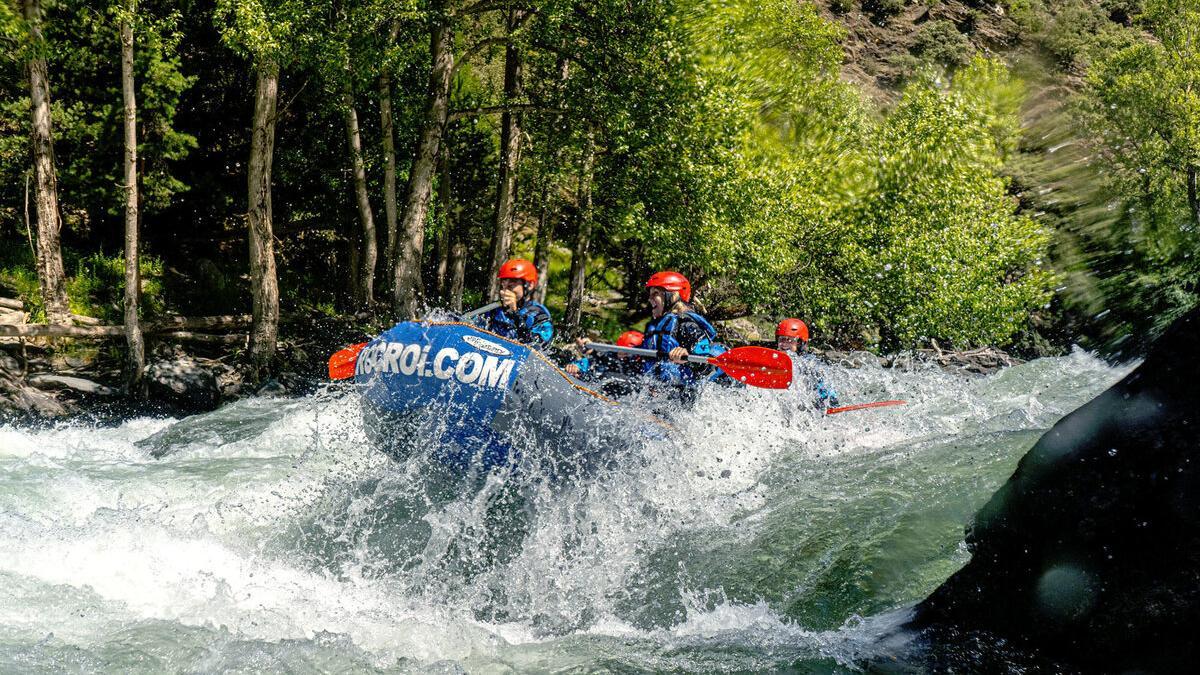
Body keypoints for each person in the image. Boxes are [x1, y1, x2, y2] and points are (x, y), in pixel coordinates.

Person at [639, 271, 725, 389]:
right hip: (663, 394)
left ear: (673, 295)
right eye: (650, 294)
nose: (650, 299)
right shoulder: (656, 327)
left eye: (656, 293)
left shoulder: (687, 325)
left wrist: (686, 358)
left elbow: (707, 366)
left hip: (689, 396)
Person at [475, 258, 554, 350]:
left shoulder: (539, 314)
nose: (507, 286)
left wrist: (515, 314)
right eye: (505, 280)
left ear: (530, 285)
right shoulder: (493, 310)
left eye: (513, 281)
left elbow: (538, 347)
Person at [776, 318, 839, 408]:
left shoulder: (808, 364)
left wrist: (829, 404)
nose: (784, 344)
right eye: (782, 340)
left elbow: (825, 388)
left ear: (799, 343)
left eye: (790, 340)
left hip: (812, 406)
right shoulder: (773, 360)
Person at [565, 330, 645, 379]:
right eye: (619, 350)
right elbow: (585, 363)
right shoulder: (608, 357)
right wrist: (575, 368)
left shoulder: (638, 369)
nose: (620, 355)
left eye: (625, 352)